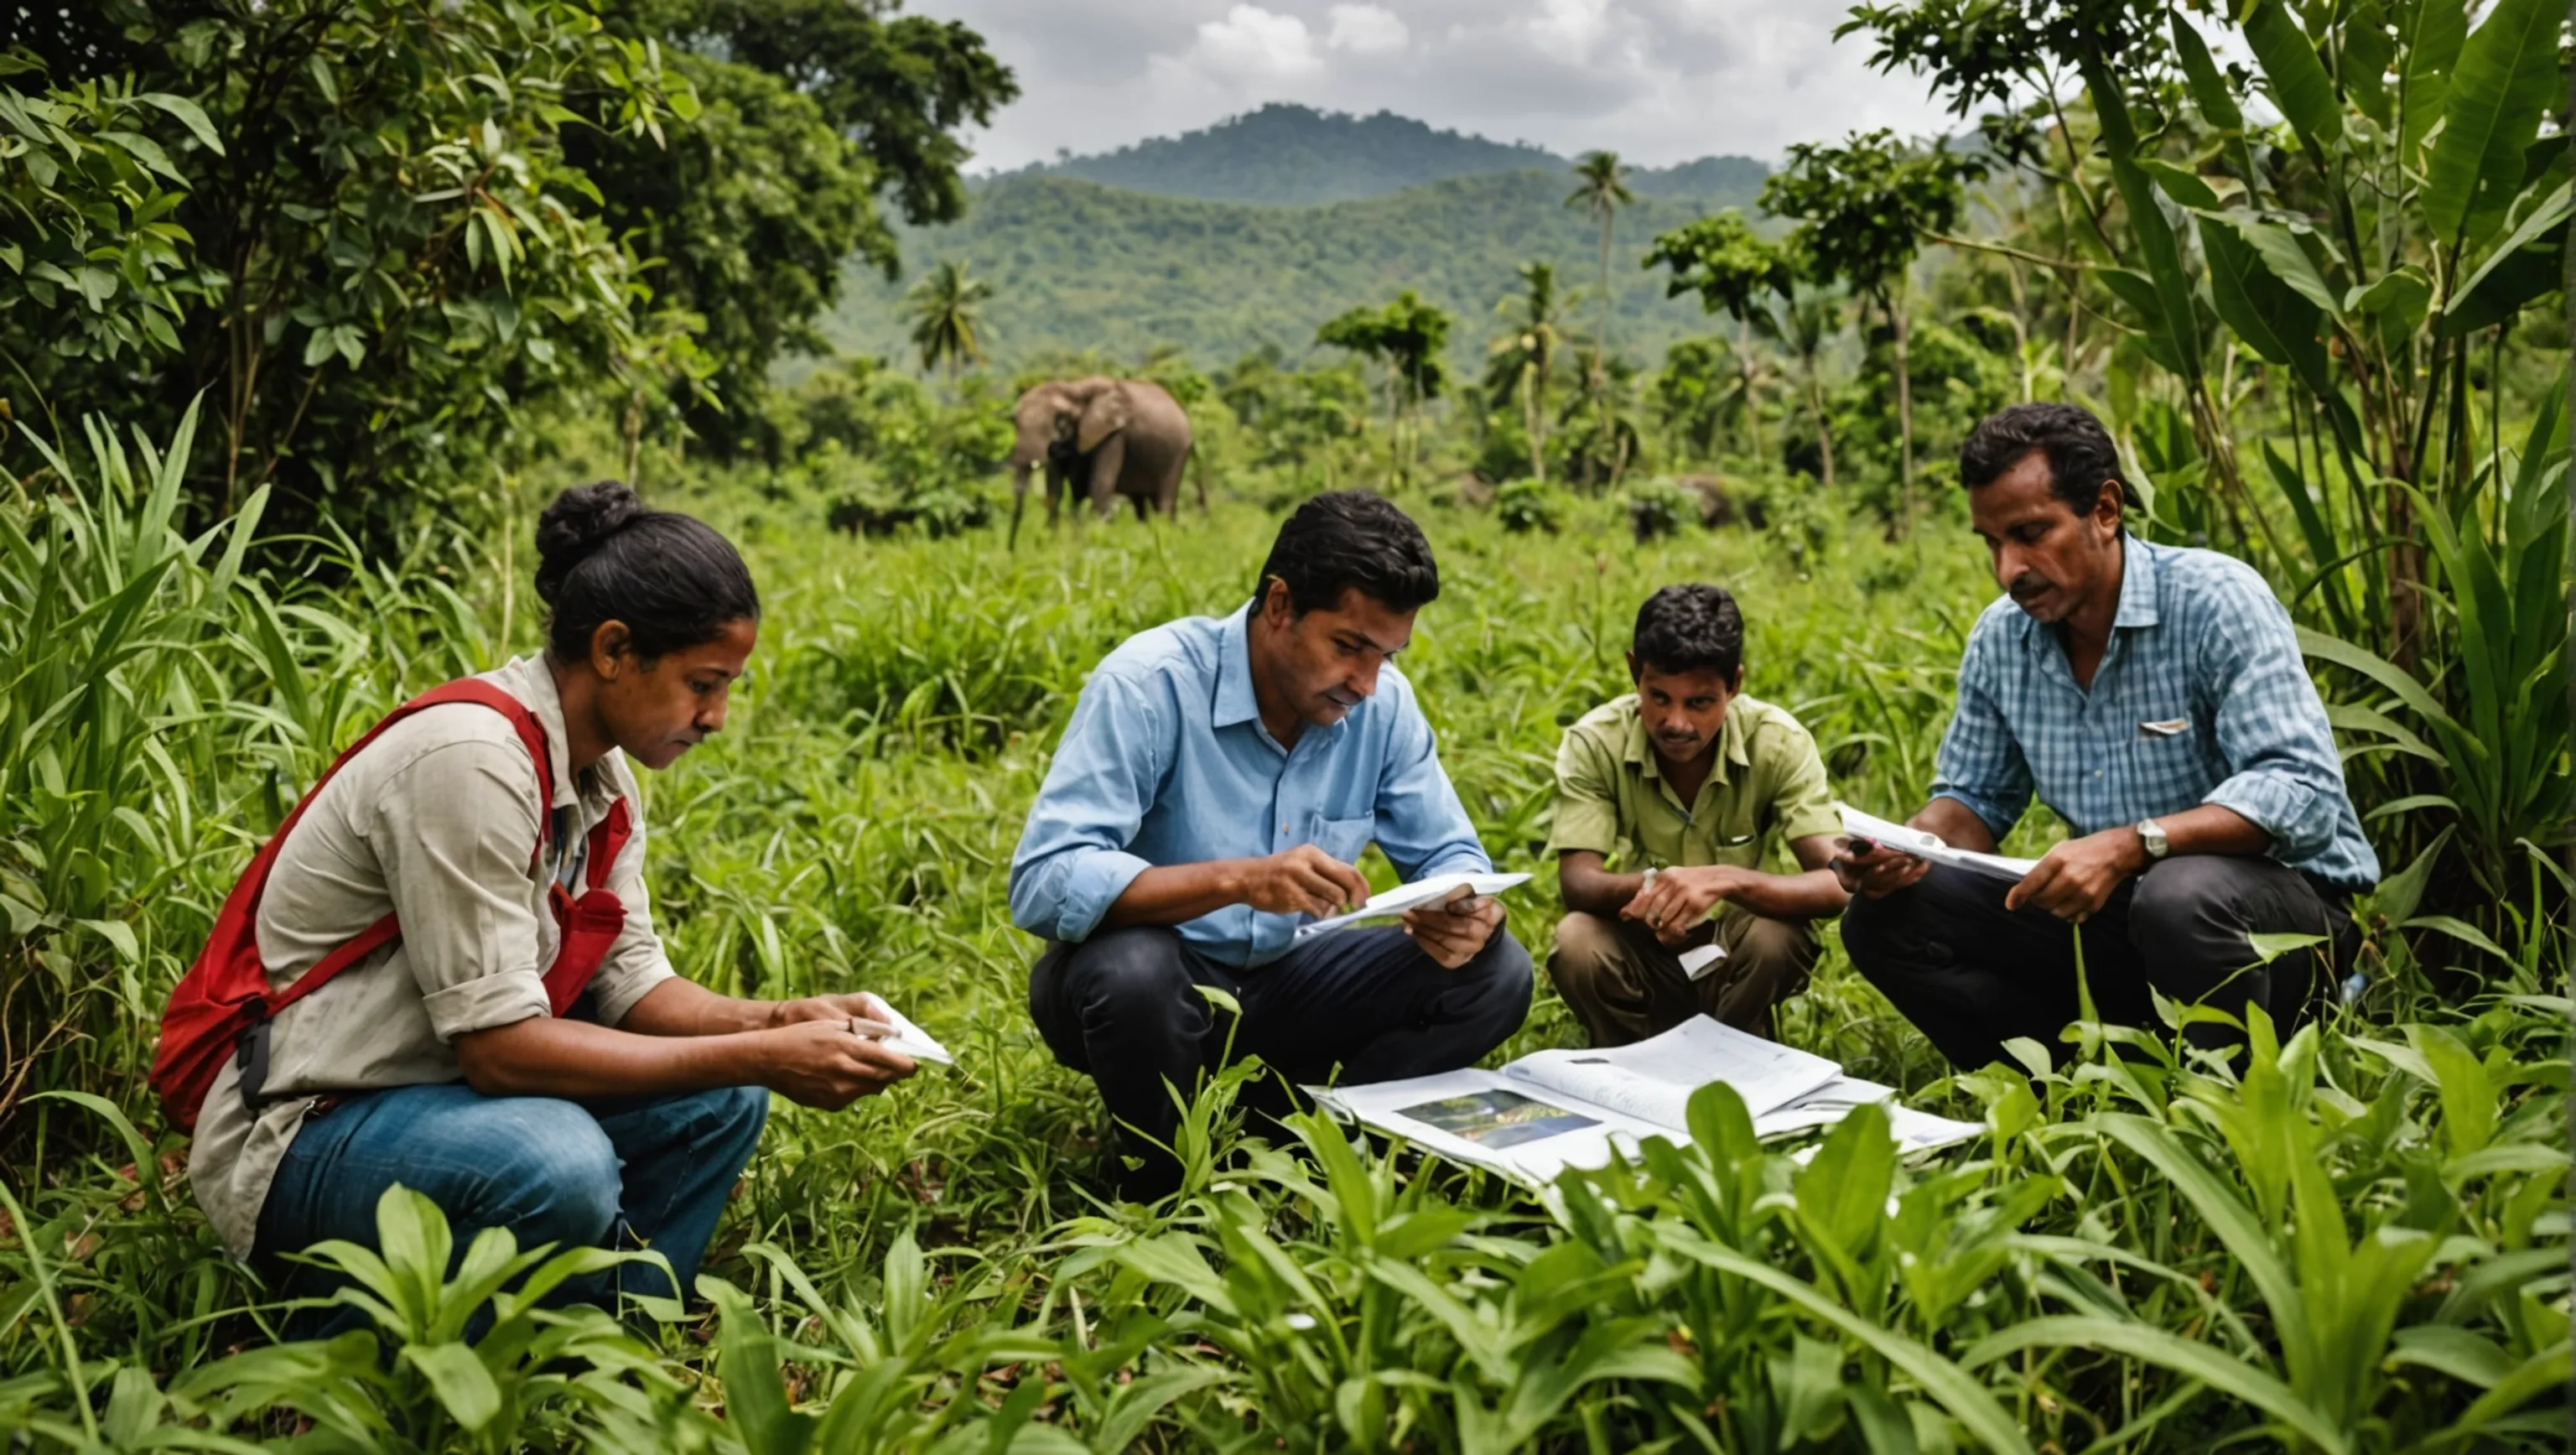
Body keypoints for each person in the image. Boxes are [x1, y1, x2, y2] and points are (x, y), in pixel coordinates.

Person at [184, 481, 917, 1327]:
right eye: (701, 683)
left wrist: (777, 1021)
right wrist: (760, 1053)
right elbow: (500, 1051)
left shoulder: (603, 781)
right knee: (558, 1160)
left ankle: (602, 1349)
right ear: (613, 649)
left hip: (443, 1099)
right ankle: (379, 1342)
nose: (715, 717)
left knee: (719, 1102)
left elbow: (633, 987)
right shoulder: (470, 759)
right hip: (308, 1129)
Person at [1010, 491, 1532, 1198]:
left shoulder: (1383, 706)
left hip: (1290, 978)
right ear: (1280, 604)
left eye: (1386, 655)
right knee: (1132, 972)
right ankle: (1162, 1185)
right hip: (1164, 985)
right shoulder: (1150, 684)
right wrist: (1237, 880)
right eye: (1348, 647)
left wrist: (1470, 912)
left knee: (1497, 973)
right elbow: (1045, 877)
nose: (1366, 681)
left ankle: (1300, 1133)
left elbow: (1452, 856)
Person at [1833, 403, 2377, 1069]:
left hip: (2277, 925)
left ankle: (2229, 1104)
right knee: (1884, 918)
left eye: (2032, 532)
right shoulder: (2002, 639)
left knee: (2177, 894)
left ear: (2106, 510)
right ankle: (2067, 1087)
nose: (2009, 569)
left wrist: (2134, 844)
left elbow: (2302, 790)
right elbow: (1973, 800)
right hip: (2126, 924)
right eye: (1991, 542)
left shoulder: (2216, 600)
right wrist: (1908, 848)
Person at [1545, 585, 1847, 1045]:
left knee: (1774, 937)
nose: (1677, 722)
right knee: (1577, 940)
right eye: (1659, 697)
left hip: (1733, 949)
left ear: (1735, 686)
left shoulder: (1777, 742)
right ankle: (1628, 1059)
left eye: (1700, 702)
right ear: (1634, 673)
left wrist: (1723, 880)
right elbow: (1579, 882)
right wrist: (1662, 893)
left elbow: (1836, 880)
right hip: (1642, 940)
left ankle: (1732, 1048)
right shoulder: (1596, 742)